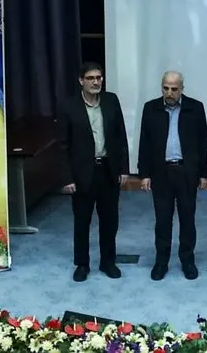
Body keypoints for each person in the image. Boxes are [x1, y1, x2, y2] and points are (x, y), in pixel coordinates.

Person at [57, 62, 130, 282]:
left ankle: (108, 262)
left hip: (108, 170)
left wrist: (124, 168)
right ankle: (82, 264)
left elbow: (120, 136)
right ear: (81, 81)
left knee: (110, 220)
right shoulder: (69, 106)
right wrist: (67, 177)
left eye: (99, 78)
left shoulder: (111, 101)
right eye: (91, 78)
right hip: (82, 174)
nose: (96, 82)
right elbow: (62, 146)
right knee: (82, 221)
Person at [138, 71, 207, 281]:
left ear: (182, 89)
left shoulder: (195, 108)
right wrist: (144, 173)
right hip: (161, 172)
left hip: (186, 172)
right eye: (166, 88)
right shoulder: (150, 108)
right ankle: (161, 261)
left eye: (174, 89)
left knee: (187, 218)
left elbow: (203, 142)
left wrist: (204, 173)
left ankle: (187, 260)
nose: (169, 93)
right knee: (162, 220)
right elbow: (144, 142)